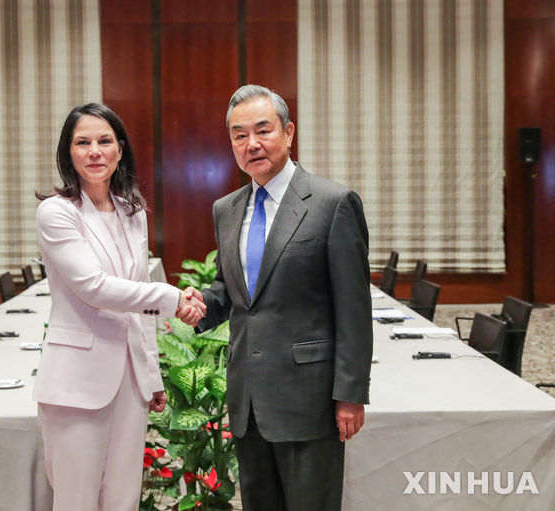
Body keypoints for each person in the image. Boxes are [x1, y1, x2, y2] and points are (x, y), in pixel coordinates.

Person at [183, 85, 373, 510]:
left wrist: (350, 393)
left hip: (309, 399)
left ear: (288, 133)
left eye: (262, 130)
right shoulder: (227, 209)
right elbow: (231, 290)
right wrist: (201, 305)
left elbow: (354, 309)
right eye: (239, 135)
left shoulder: (332, 203)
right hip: (249, 400)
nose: (251, 143)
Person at [33, 103, 204, 511]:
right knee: (77, 499)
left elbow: (137, 300)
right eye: (83, 143)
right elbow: (94, 287)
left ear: (120, 149)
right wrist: (173, 299)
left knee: (122, 498)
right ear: (68, 152)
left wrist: (151, 375)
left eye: (105, 141)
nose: (95, 151)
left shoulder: (132, 212)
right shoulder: (56, 212)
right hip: (77, 380)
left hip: (129, 379)